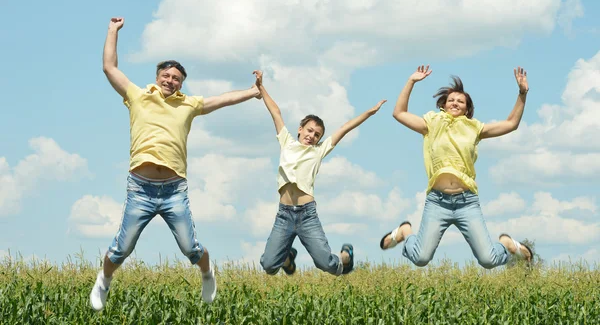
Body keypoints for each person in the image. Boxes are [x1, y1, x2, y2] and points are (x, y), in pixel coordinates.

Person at [90, 17, 261, 311]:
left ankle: (208, 275)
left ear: (182, 83)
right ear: (157, 77)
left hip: (173, 190)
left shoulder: (188, 105)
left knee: (190, 247)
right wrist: (112, 31)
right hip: (141, 188)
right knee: (122, 248)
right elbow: (110, 68)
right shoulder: (138, 96)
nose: (171, 81)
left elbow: (222, 100)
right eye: (166, 76)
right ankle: (103, 281)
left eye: (176, 78)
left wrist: (253, 91)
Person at [380, 65, 533, 268]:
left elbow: (511, 123)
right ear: (443, 105)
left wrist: (522, 93)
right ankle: (406, 232)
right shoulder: (431, 123)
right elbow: (399, 113)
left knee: (488, 260)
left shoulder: (475, 128)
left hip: (466, 202)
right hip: (437, 201)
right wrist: (411, 81)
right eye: (451, 100)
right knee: (420, 258)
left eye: (460, 101)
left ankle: (505, 244)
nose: (455, 103)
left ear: (467, 109)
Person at [253, 70, 386, 276]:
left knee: (327, 265)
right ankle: (287, 257)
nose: (312, 136)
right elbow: (276, 112)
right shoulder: (287, 142)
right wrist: (261, 87)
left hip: (307, 215)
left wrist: (369, 112)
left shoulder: (319, 150)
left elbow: (345, 128)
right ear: (300, 129)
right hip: (284, 214)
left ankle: (345, 256)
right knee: (269, 266)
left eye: (317, 134)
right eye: (309, 131)